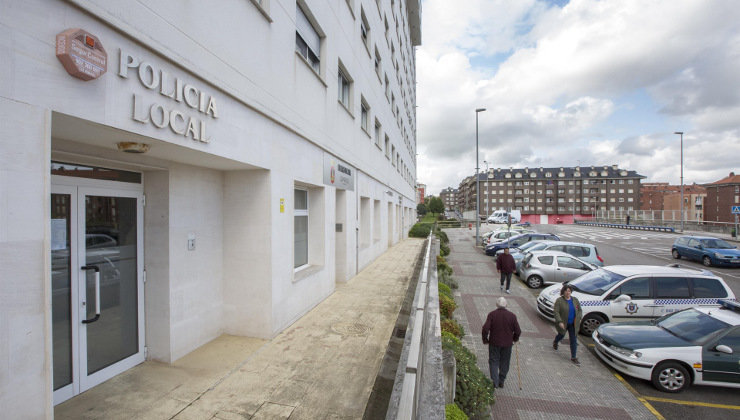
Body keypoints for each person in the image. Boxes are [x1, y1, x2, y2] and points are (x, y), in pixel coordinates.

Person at [481, 297, 521, 388]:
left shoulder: (492, 314)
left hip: (494, 342)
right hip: (507, 344)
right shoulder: (512, 316)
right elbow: (518, 331)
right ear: (506, 305)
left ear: (496, 305)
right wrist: (515, 339)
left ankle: (495, 381)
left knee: (493, 361)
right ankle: (501, 380)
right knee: (505, 362)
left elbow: (485, 328)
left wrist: (485, 339)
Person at [552, 284, 583, 365]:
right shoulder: (559, 300)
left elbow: (579, 310)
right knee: (561, 335)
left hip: (573, 324)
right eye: (566, 291)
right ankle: (556, 341)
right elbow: (556, 312)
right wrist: (559, 321)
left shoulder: (575, 300)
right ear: (563, 292)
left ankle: (573, 357)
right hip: (564, 324)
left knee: (573, 340)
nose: (567, 292)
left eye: (569, 291)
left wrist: (579, 318)